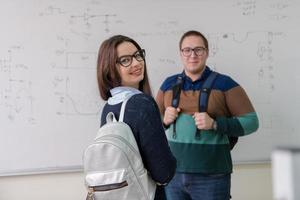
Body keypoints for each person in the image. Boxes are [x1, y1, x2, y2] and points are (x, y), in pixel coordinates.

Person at [156, 30, 259, 200]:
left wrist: (215, 124)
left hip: (213, 176)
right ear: (181, 53)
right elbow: (152, 126)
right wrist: (164, 121)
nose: (192, 55)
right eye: (187, 50)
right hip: (173, 175)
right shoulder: (168, 84)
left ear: (207, 52)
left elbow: (252, 122)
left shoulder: (225, 84)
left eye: (198, 49)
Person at [97, 35, 176, 200]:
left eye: (138, 55)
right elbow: (164, 173)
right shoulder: (142, 104)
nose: (136, 63)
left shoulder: (108, 107)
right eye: (125, 60)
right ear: (109, 68)